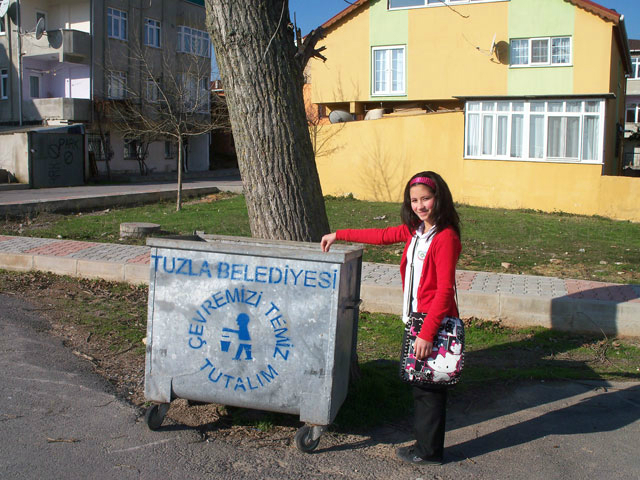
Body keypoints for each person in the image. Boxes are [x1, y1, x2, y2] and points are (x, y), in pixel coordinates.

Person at [320, 171, 461, 466]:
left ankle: (428, 451)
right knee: (423, 385)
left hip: (431, 323)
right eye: (414, 200)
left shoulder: (445, 237)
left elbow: (445, 291)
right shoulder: (417, 230)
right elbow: (381, 236)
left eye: (426, 199)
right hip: (418, 320)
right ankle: (426, 445)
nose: (420, 205)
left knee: (428, 389)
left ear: (439, 198)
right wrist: (339, 234)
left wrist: (426, 334)